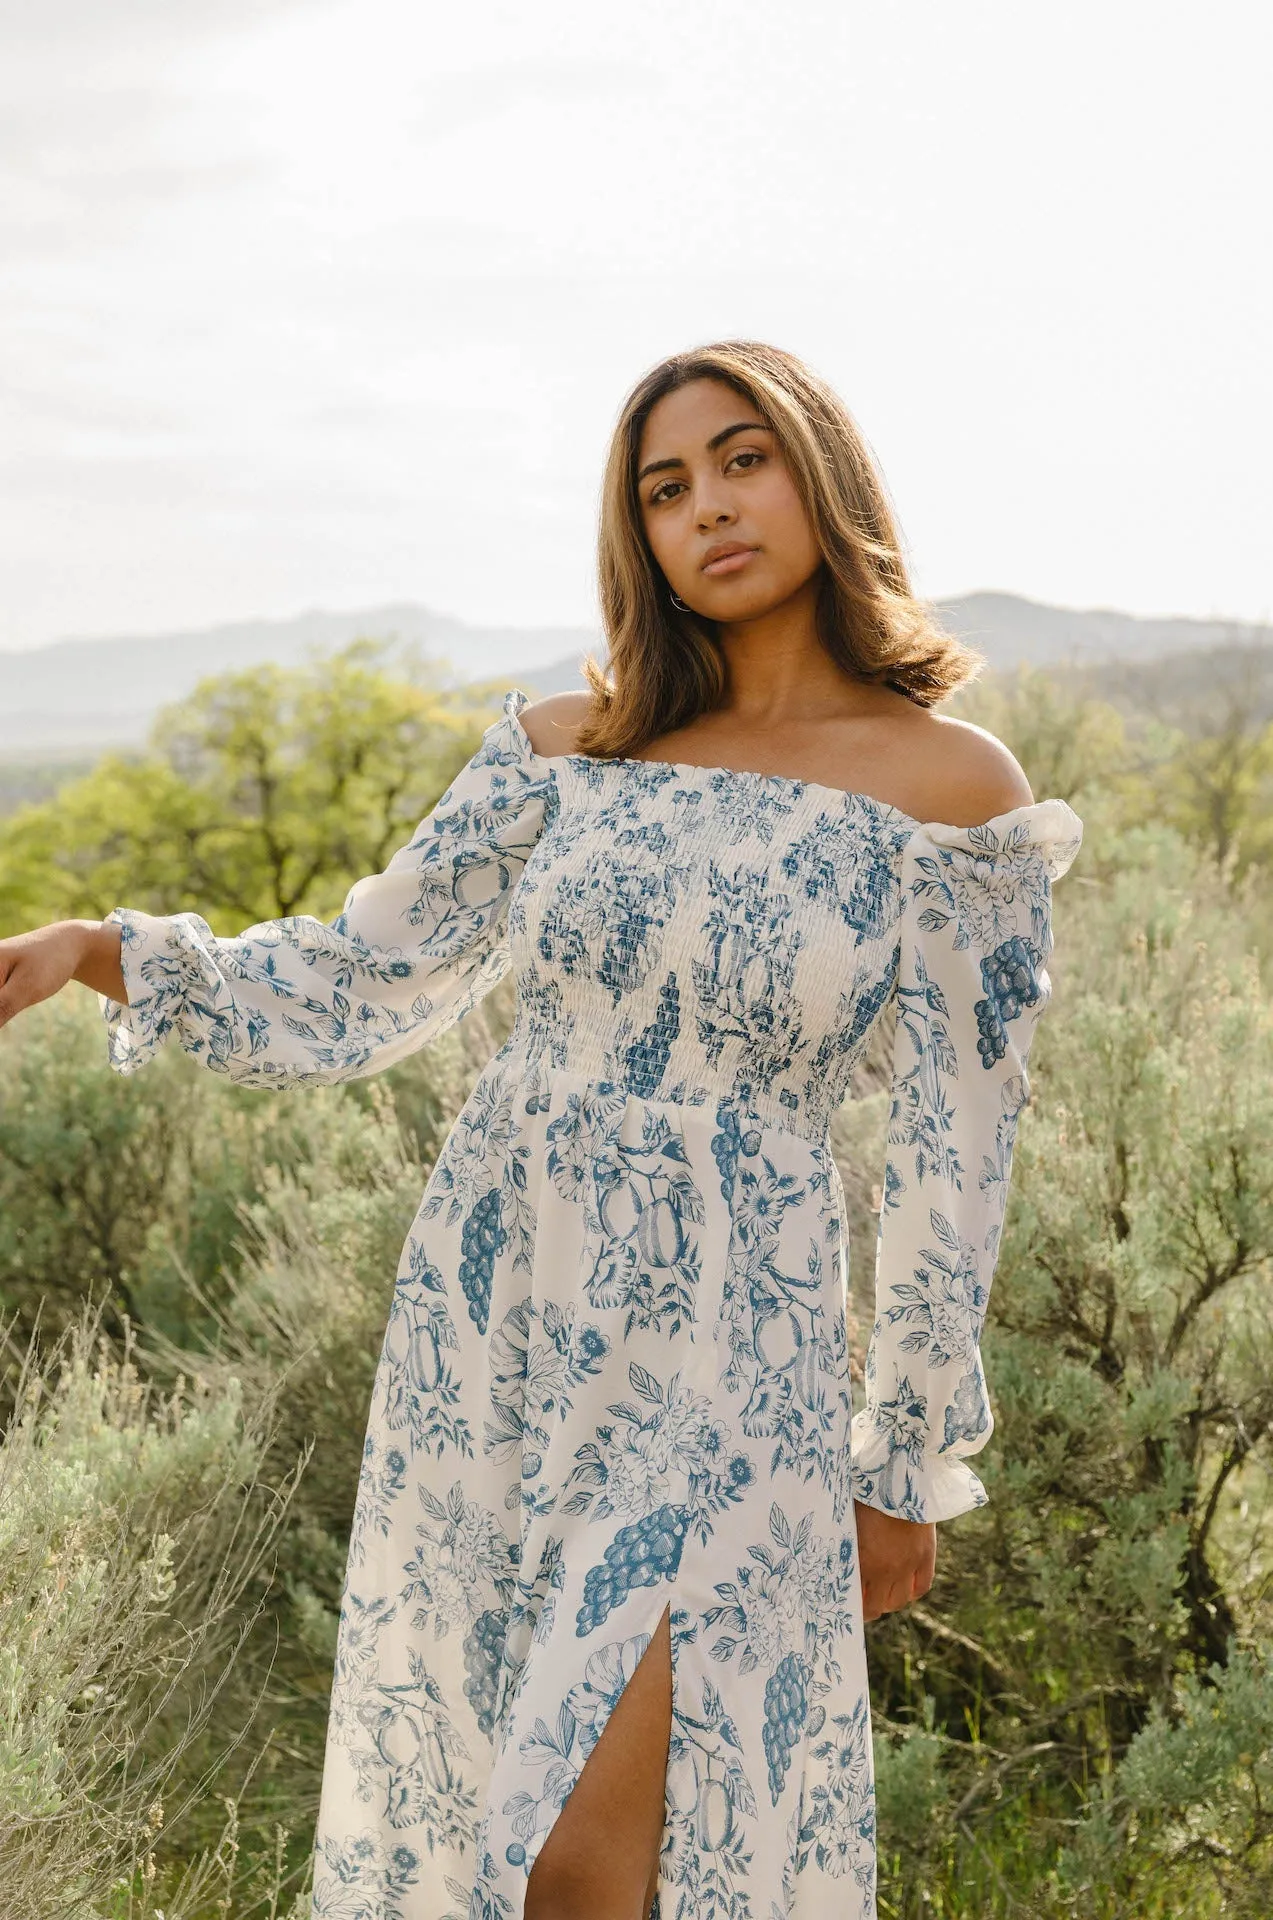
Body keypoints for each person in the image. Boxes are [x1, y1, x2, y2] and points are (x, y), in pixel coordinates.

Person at [0, 340, 1084, 1920]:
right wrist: (111, 948)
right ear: (633, 534)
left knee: (583, 1859)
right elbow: (366, 974)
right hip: (499, 1324)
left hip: (735, 1348)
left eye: (742, 459)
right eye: (664, 488)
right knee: (501, 1840)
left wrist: (903, 1458)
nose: (707, 506)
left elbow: (957, 1159)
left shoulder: (949, 790)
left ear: (821, 475)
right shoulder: (572, 746)